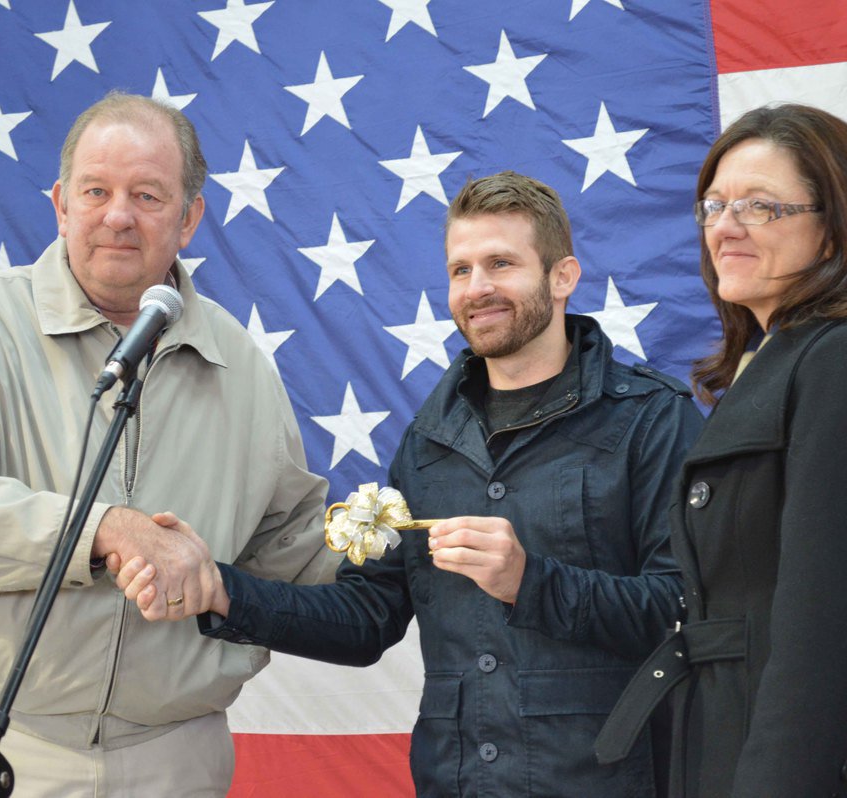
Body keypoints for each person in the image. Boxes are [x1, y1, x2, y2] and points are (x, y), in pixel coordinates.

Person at [114, 171, 705, 796]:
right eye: (460, 270)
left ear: (562, 277)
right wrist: (220, 590)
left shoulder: (651, 419)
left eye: (501, 263)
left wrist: (532, 583)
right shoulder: (430, 442)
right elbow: (368, 617)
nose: (477, 289)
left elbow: (686, 611)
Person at [0, 91, 338, 797]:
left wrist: (406, 545)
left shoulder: (242, 365)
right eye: (97, 191)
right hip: (3, 748)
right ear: (62, 204)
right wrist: (104, 530)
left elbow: (290, 548)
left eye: (148, 195)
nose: (119, 216)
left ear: (189, 217)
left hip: (176, 758)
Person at [596, 103, 847, 797]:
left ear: (834, 229)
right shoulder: (780, 361)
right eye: (714, 205)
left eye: (760, 207)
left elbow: (825, 636)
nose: (724, 228)